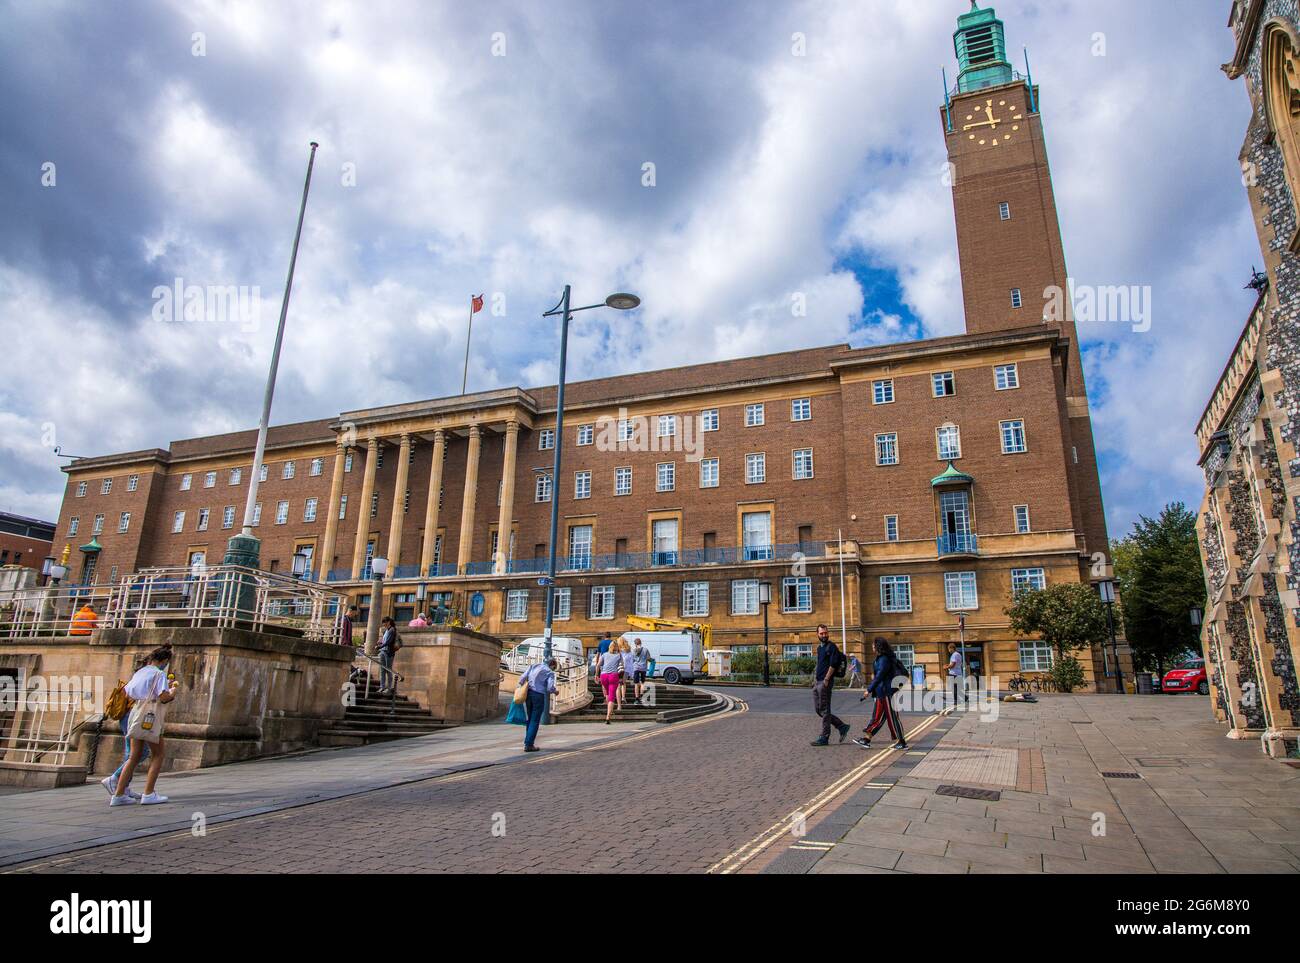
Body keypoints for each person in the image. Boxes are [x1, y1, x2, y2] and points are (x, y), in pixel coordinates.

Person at [111, 645, 178, 806]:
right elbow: (163, 697)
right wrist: (173, 691)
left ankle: (118, 795)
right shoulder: (159, 674)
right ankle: (148, 793)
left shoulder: (140, 672)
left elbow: (128, 691)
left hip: (136, 712)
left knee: (134, 756)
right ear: (164, 660)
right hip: (150, 715)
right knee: (158, 754)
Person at [102, 655, 153, 800]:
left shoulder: (138, 677)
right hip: (131, 716)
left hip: (129, 716)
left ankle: (123, 787)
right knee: (138, 753)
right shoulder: (143, 679)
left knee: (133, 753)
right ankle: (116, 779)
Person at [855, 637, 908, 750]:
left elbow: (879, 676)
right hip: (882, 693)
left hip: (887, 693)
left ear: (878, 646)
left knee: (893, 717)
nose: (872, 647)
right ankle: (867, 739)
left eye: (874, 645)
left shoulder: (884, 659)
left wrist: (868, 690)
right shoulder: (881, 658)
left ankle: (902, 742)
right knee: (878, 717)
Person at [810, 623, 850, 747]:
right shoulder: (819, 648)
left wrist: (827, 679)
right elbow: (819, 664)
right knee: (819, 710)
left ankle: (824, 737)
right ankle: (841, 726)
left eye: (825, 633)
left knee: (825, 710)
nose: (824, 635)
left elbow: (833, 664)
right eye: (821, 633)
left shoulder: (831, 647)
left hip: (825, 682)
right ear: (817, 634)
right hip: (817, 682)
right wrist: (814, 680)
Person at [520, 657, 558, 752]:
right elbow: (550, 687)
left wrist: (521, 687)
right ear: (552, 665)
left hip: (528, 694)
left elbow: (522, 678)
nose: (554, 669)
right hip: (538, 695)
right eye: (554, 667)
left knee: (530, 718)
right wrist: (555, 691)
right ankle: (529, 744)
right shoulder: (549, 672)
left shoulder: (534, 666)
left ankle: (527, 742)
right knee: (535, 720)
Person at [598, 643, 624, 723]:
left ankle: (610, 710)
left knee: (607, 694)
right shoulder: (619, 655)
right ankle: (608, 717)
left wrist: (596, 675)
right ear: (617, 648)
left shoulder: (604, 654)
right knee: (612, 696)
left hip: (603, 676)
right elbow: (622, 667)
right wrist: (621, 678)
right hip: (613, 676)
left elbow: (598, 665)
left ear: (609, 647)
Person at [377, 617, 400, 694]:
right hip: (383, 651)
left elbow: (388, 642)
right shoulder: (387, 630)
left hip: (389, 652)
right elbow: (384, 641)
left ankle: (389, 687)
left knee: (388, 670)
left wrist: (380, 646)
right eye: (384, 624)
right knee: (382, 670)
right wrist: (380, 644)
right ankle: (382, 686)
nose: (385, 625)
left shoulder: (392, 630)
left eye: (385, 624)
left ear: (389, 622)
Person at [947, 642, 965, 708]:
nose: (948, 650)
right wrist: (948, 665)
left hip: (953, 673)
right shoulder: (959, 654)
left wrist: (946, 667)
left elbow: (953, 664)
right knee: (957, 688)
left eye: (949, 649)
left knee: (953, 688)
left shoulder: (954, 655)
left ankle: (956, 701)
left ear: (952, 648)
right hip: (959, 673)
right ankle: (965, 698)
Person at [620, 639, 636, 705]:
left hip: (619, 669)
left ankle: (618, 698)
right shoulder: (629, 652)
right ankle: (623, 698)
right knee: (623, 684)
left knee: (618, 684)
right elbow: (631, 663)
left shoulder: (619, 651)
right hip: (626, 670)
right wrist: (632, 673)